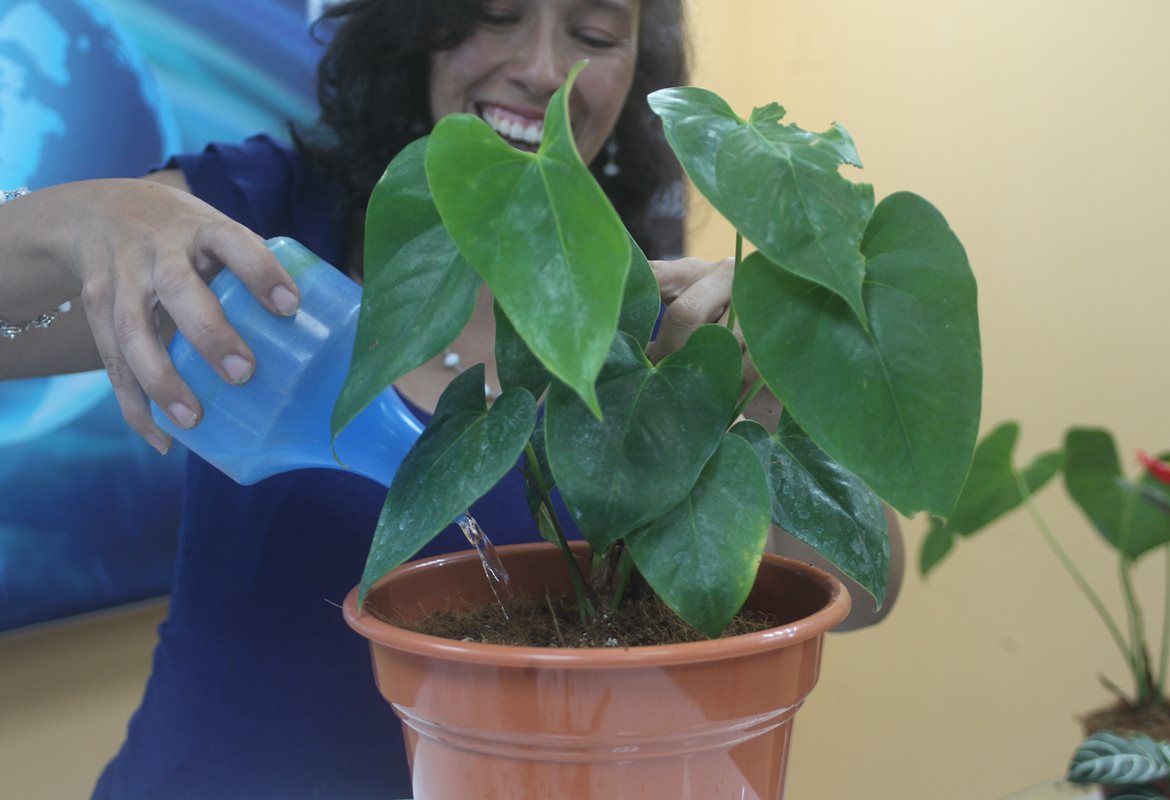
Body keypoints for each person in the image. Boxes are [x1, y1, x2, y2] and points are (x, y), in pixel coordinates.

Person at [0, 1, 900, 797]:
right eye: (496, 11)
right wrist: (79, 221)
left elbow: (867, 587)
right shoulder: (269, 219)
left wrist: (775, 392)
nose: (546, 68)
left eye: (594, 33)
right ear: (415, 26)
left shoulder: (634, 304)